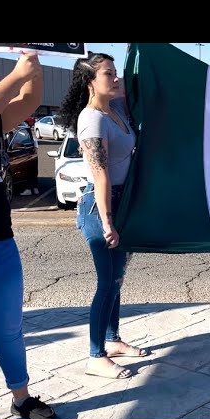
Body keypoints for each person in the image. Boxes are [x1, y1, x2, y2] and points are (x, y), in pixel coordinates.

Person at [0, 56, 58, 419]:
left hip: (1, 244)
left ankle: (21, 398)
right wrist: (15, 76)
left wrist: (32, 66)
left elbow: (30, 100)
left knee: (9, 328)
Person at [57, 52, 147, 380]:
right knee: (107, 283)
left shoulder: (115, 110)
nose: (116, 79)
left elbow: (138, 86)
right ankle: (96, 355)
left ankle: (113, 340)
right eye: (108, 74)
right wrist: (108, 222)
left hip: (122, 203)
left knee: (117, 280)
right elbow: (101, 176)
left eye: (115, 72)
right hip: (101, 206)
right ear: (90, 82)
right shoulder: (92, 119)